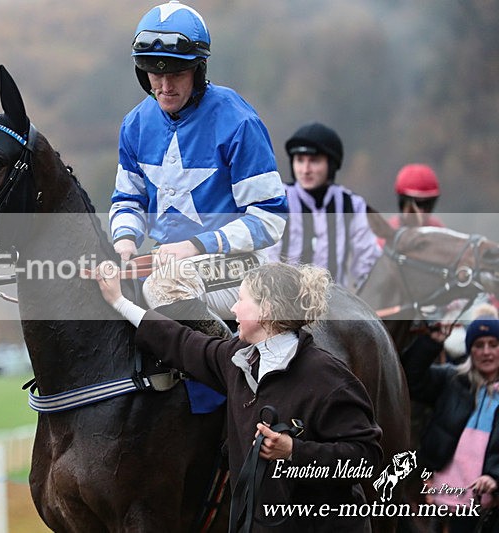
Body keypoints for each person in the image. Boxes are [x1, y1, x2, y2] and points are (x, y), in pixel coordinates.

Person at [93, 260, 383, 532]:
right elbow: (179, 342)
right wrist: (119, 302)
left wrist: (294, 450)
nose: (233, 308)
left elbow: (367, 459)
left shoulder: (329, 378)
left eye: (242, 299)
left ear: (265, 310)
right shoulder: (236, 359)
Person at [109, 0, 287, 320]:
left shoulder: (238, 121)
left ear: (198, 70)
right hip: (168, 260)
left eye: (176, 74)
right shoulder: (134, 125)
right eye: (154, 74)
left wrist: (197, 245)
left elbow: (269, 219)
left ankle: (225, 366)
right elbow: (128, 200)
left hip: (242, 261)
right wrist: (123, 241)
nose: (164, 86)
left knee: (163, 288)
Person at [401, 308, 499, 533]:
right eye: (478, 345)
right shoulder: (452, 380)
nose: (486, 352)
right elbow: (409, 378)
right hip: (440, 502)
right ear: (470, 349)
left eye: (493, 344)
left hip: (486, 509)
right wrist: (430, 343)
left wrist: (496, 479)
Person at [266, 122, 380, 290]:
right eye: (299, 160)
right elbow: (266, 259)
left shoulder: (352, 205)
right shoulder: (277, 200)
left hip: (334, 305)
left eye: (314, 161)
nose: (305, 169)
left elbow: (368, 263)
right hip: (283, 303)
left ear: (331, 164)